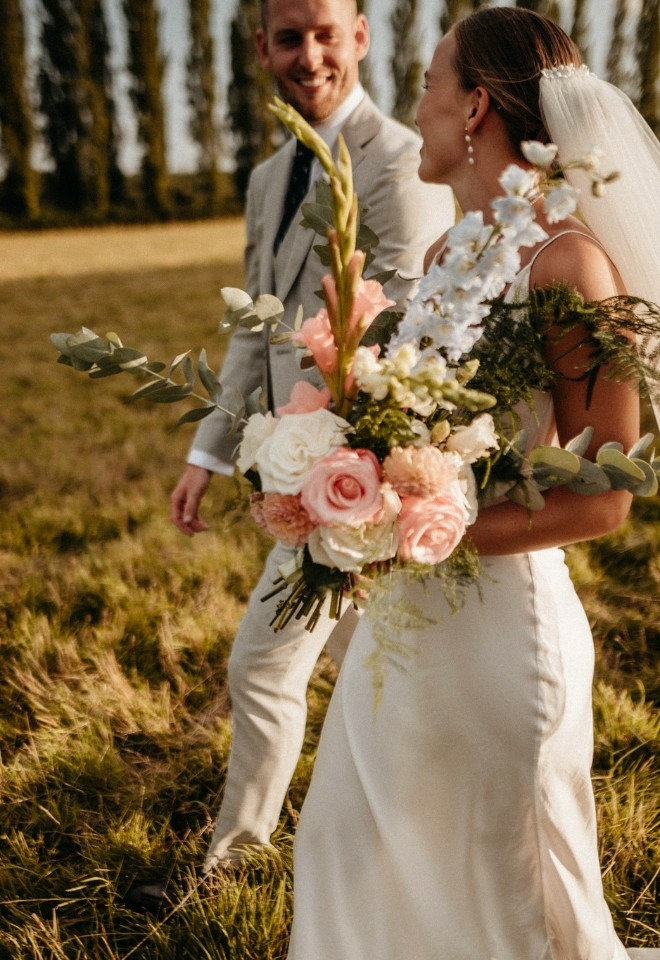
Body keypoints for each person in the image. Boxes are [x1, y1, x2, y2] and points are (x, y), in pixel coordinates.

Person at [286, 7, 659, 959]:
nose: (416, 105)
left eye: (428, 83)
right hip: (405, 631)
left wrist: (419, 528)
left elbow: (605, 493)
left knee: (496, 897)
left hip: (500, 636)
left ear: (476, 107)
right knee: (345, 849)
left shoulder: (571, 265)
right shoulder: (451, 257)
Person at [126, 0, 454, 911]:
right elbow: (250, 327)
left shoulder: (393, 159)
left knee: (262, 666)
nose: (306, 55)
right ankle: (383, 851)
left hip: (358, 477)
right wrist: (212, 453)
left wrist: (346, 472)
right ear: (262, 48)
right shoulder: (271, 171)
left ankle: (233, 866)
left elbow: (404, 327)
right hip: (290, 461)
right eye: (285, 37)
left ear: (360, 35)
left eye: (323, 32)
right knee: (370, 665)